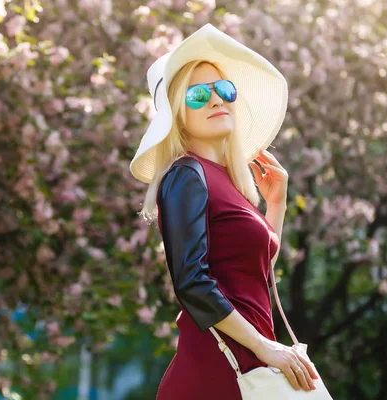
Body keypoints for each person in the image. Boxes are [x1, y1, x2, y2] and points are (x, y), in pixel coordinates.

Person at [129, 24, 319, 399]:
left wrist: (276, 204)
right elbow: (191, 282)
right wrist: (264, 346)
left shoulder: (226, 182)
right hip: (215, 372)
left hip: (250, 368)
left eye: (224, 90)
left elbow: (252, 270)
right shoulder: (186, 175)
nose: (216, 100)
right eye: (199, 94)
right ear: (178, 115)